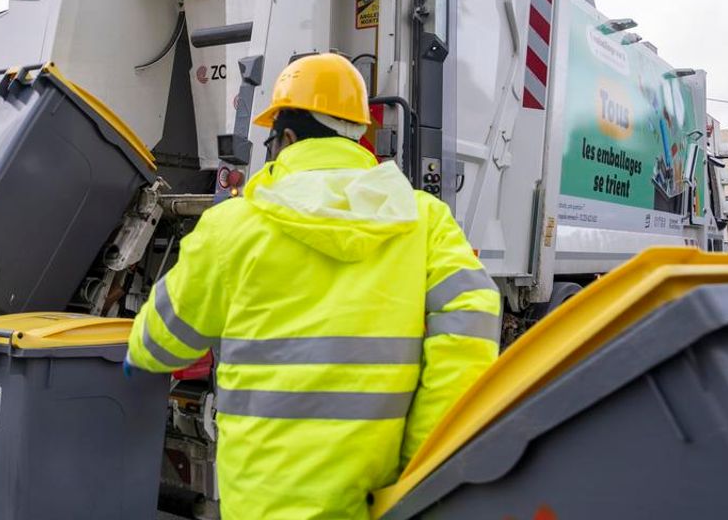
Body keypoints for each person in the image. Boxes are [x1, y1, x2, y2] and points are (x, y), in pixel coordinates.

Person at [127, 53, 500, 519]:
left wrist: (136, 352)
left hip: (262, 503)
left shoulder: (232, 225)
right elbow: (472, 327)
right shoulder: (424, 220)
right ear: (359, 134)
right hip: (381, 496)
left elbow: (164, 342)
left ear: (286, 137)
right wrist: (421, 461)